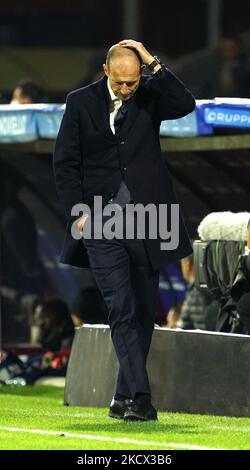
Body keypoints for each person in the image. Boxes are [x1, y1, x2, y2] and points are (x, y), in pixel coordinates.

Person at [53, 39, 195, 421]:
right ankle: (142, 398)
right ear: (106, 72)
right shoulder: (80, 102)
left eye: (133, 82)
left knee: (144, 309)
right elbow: (65, 163)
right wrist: (77, 215)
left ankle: (122, 398)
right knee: (121, 305)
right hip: (100, 220)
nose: (127, 90)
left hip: (149, 219)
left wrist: (152, 62)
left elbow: (186, 104)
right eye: (121, 83)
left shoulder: (149, 94)